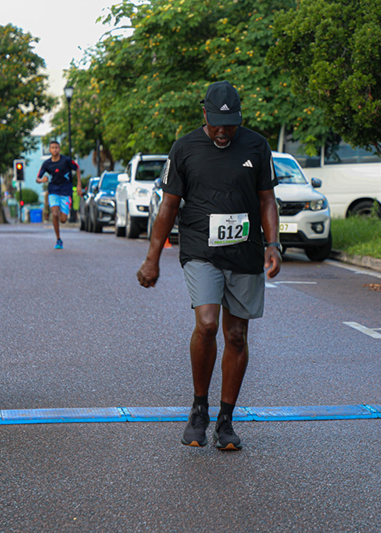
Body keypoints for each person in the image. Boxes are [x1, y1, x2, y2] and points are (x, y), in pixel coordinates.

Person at [137, 81, 281, 450]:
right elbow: (168, 207)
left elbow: (267, 200)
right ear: (205, 114)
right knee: (207, 324)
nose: (222, 131)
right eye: (216, 123)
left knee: (236, 335)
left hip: (244, 253)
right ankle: (199, 408)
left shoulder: (256, 146)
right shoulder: (184, 148)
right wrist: (152, 259)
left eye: (229, 124)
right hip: (200, 249)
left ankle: (226, 419)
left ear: (238, 119)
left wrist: (273, 244)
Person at [36, 141, 82, 249]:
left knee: (63, 219)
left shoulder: (66, 160)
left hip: (65, 191)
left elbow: (78, 168)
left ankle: (64, 212)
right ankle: (58, 239)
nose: (55, 149)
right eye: (52, 148)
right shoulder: (47, 164)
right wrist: (42, 180)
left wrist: (79, 185)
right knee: (55, 214)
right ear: (50, 150)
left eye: (56, 147)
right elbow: (37, 178)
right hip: (53, 191)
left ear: (59, 149)